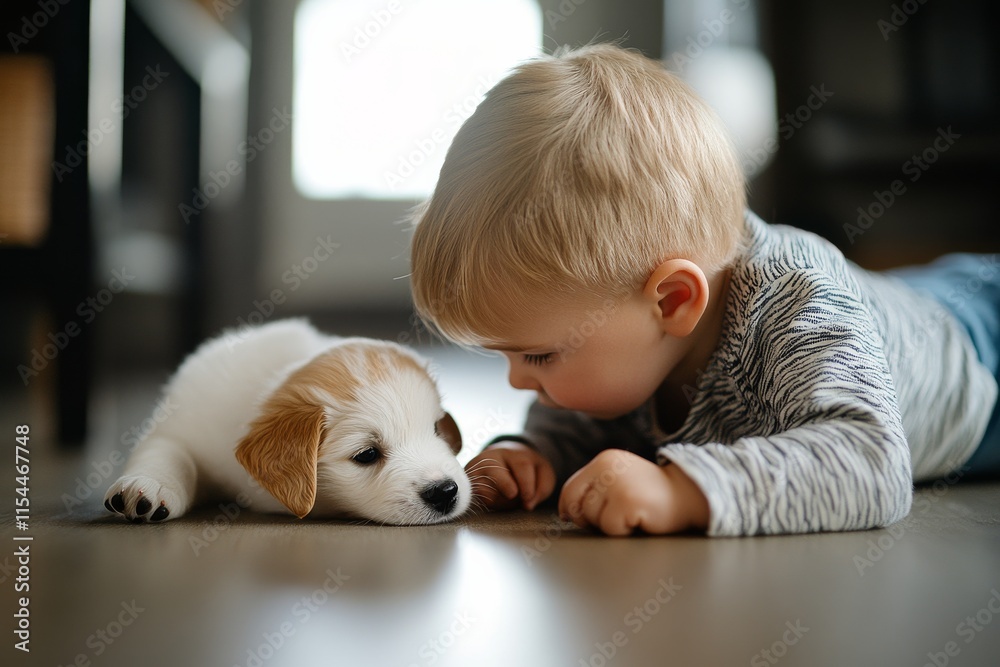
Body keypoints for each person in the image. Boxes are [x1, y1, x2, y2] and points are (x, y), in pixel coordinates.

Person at [408, 43, 1000, 536]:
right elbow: (598, 418)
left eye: (537, 355)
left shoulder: (792, 302)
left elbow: (872, 464)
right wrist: (538, 457)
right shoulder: (635, 320)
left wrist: (681, 491)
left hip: (981, 355)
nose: (517, 379)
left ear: (672, 301)